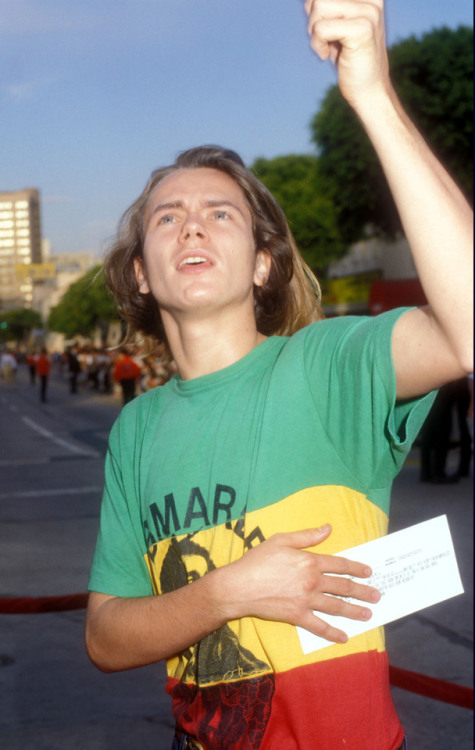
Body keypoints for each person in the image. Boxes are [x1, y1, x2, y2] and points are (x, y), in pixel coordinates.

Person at [85, 2, 473, 749]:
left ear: (263, 263)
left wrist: (371, 92)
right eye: (166, 217)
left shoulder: (326, 365)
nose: (191, 224)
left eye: (220, 214)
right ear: (139, 270)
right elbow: (106, 636)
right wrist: (225, 593)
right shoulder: (137, 426)